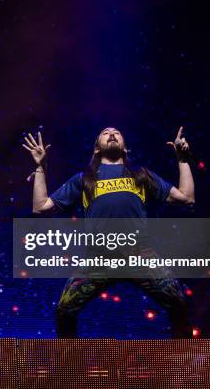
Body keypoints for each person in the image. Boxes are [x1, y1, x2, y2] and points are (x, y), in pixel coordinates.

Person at [22, 127, 195, 338]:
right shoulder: (84, 178)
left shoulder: (141, 174)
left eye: (117, 132)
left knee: (179, 303)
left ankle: (184, 361)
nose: (112, 133)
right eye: (105, 132)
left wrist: (182, 159)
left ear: (125, 147)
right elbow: (40, 206)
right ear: (96, 148)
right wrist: (40, 167)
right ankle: (69, 366)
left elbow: (187, 197)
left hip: (139, 254)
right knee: (64, 310)